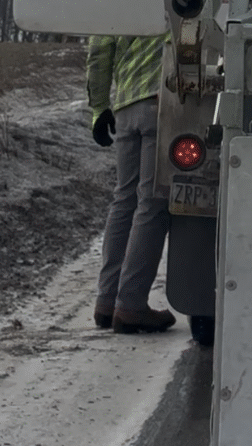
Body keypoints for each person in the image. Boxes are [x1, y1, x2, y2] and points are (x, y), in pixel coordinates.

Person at [88, 32, 175, 334]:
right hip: (161, 103)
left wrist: (99, 108)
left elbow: (99, 51)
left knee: (124, 200)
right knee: (152, 204)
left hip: (125, 106)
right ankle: (132, 305)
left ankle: (106, 301)